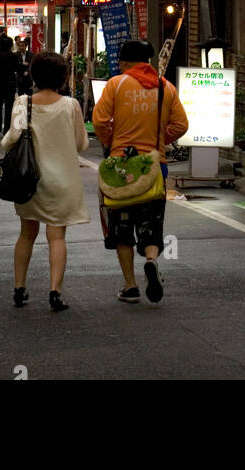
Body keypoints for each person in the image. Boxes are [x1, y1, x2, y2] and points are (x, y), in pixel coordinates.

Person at [92, 40, 189, 305]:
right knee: (152, 223)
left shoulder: (116, 84)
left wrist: (111, 142)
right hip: (154, 166)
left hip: (120, 165)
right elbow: (181, 124)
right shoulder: (164, 87)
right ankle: (151, 260)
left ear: (124, 62)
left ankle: (130, 285)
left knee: (122, 227)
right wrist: (160, 138)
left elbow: (99, 121)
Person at [2, 50, 90, 312]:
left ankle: (19, 288)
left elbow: (11, 140)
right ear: (63, 77)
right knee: (57, 236)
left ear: (33, 75)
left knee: (27, 234)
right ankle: (55, 292)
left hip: (29, 181)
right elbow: (82, 144)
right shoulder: (70, 105)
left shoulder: (23, 103)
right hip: (62, 183)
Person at [0, 34, 20, 139]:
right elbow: (17, 69)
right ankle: (7, 129)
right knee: (9, 108)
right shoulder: (13, 56)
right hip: (10, 84)